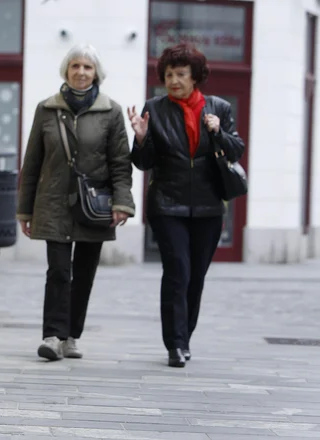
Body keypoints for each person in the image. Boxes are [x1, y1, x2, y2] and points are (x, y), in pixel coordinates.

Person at [128, 43, 245, 368]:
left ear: (195, 77)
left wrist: (218, 132)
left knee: (196, 276)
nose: (174, 80)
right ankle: (175, 345)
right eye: (168, 75)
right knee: (177, 271)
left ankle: (185, 337)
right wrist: (140, 138)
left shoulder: (218, 108)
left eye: (180, 74)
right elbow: (143, 162)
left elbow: (237, 150)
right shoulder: (155, 107)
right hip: (167, 204)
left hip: (209, 206)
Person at [17, 44, 135, 361]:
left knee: (84, 273)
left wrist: (122, 202)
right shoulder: (47, 109)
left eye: (87, 67)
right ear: (66, 71)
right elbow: (32, 162)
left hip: (94, 204)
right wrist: (25, 209)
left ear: (96, 73)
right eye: (75, 66)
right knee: (58, 271)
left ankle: (72, 335)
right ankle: (53, 336)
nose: (81, 72)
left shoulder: (111, 111)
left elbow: (120, 162)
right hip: (53, 202)